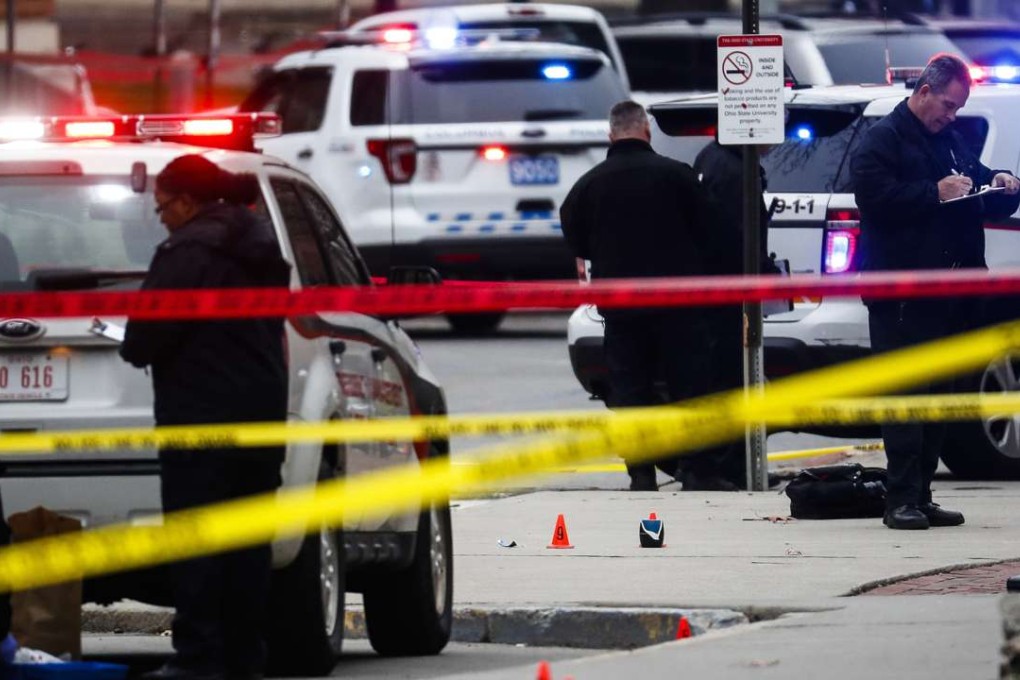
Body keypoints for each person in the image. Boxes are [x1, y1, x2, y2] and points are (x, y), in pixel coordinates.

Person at [121, 154, 290, 680]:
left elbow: (144, 336)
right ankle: (244, 657)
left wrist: (134, 343)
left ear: (188, 201)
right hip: (260, 415)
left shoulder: (189, 250)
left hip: (199, 416)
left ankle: (198, 658)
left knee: (195, 541)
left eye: (163, 207)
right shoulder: (260, 242)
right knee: (248, 545)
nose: (162, 218)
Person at [849, 53, 1020, 530]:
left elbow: (974, 179)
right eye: (948, 105)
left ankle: (922, 495)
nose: (952, 115)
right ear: (924, 92)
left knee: (938, 395)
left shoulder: (948, 139)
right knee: (906, 395)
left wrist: (1001, 184)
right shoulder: (882, 140)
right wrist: (933, 193)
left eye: (958, 108)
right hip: (903, 294)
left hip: (951, 294)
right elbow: (873, 197)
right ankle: (900, 499)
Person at [560, 100, 733, 491]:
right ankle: (698, 470)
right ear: (647, 131)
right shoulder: (677, 175)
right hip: (679, 303)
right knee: (690, 386)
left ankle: (641, 473)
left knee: (630, 389)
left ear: (611, 135)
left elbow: (575, 236)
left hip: (621, 306)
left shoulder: (588, 184)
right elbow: (712, 230)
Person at [693, 140, 783, 489]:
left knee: (729, 378)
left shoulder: (714, 158)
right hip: (728, 294)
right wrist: (762, 270)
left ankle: (737, 466)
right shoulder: (734, 170)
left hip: (718, 293)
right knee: (730, 380)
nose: (777, 141)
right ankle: (728, 468)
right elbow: (736, 236)